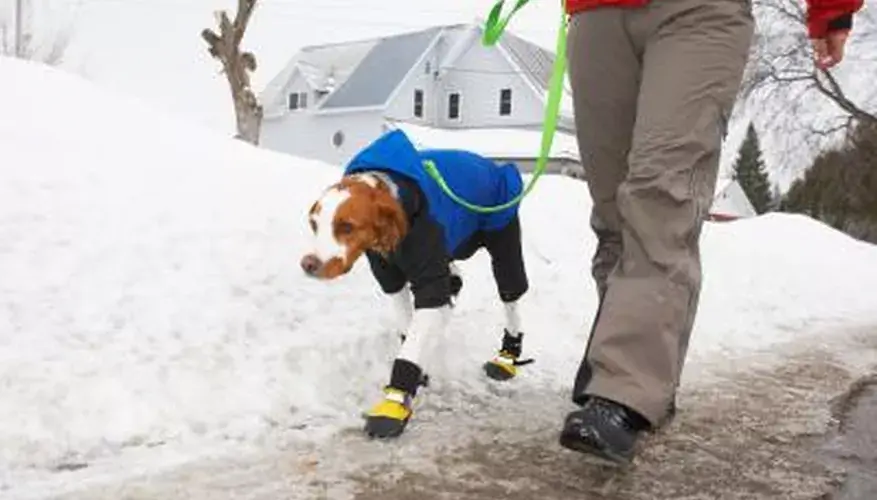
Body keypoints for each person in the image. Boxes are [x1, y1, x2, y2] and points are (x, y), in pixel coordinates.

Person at [557, 0, 864, 465]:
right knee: (614, 207)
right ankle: (625, 366)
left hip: (698, 14)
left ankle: (626, 386)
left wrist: (831, 10)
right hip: (595, 13)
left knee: (661, 195)